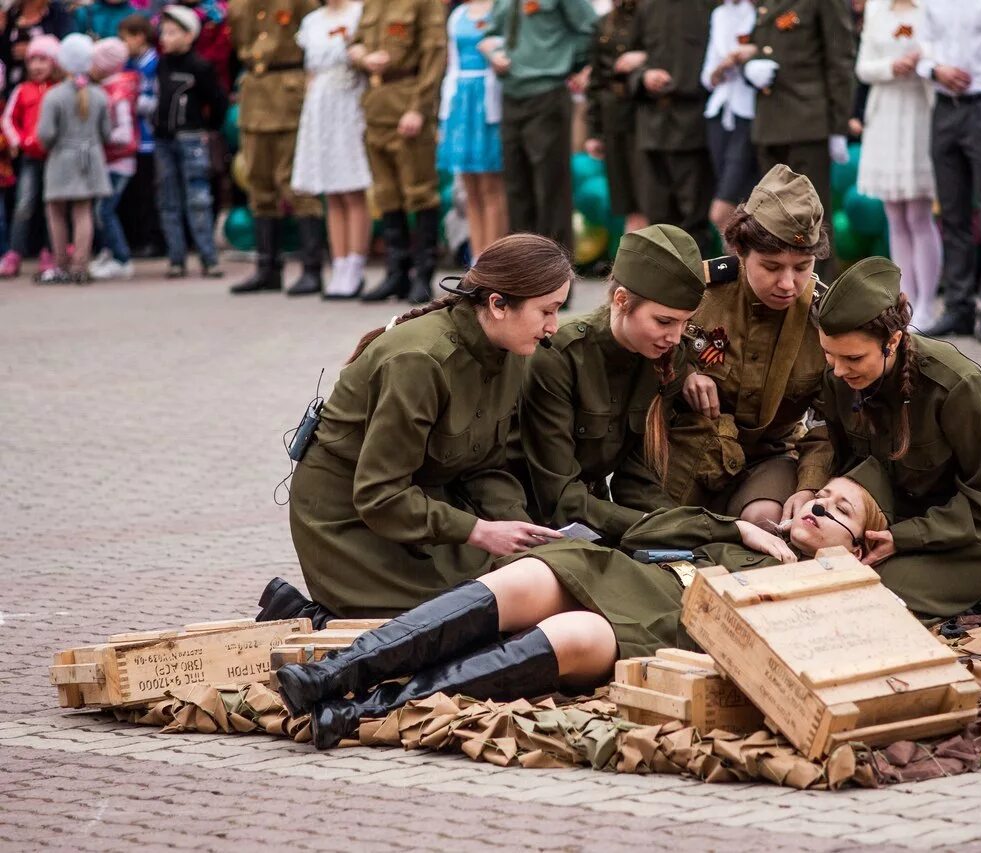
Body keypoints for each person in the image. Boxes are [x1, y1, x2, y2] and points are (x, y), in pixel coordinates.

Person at [273, 476, 886, 750]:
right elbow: (648, 534)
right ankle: (332, 675)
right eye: (819, 498)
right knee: (525, 578)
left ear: (858, 549)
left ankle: (360, 715)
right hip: (624, 574)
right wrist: (737, 529)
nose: (818, 509)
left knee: (569, 636)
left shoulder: (832, 592)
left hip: (659, 628)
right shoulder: (750, 538)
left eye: (839, 514)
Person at [266, 234, 573, 623]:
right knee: (468, 615)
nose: (553, 327)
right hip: (351, 524)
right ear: (497, 304)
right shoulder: (420, 362)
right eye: (547, 311)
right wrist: (479, 531)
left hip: (422, 504)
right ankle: (314, 616)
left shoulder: (508, 349)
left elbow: (484, 467)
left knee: (532, 581)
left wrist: (522, 533)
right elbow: (379, 495)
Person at [793, 255, 981, 617]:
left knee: (862, 599)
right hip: (880, 530)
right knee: (809, 583)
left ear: (892, 341)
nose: (838, 370)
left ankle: (976, 592)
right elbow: (844, 460)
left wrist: (903, 537)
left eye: (853, 358)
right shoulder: (839, 377)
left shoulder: (956, 386)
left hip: (961, 543)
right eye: (829, 355)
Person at [664, 165, 832, 529]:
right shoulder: (699, 293)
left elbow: (829, 424)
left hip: (770, 455)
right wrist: (684, 371)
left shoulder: (826, 319)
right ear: (740, 250)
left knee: (765, 521)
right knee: (666, 528)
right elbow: (640, 339)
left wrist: (809, 486)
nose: (788, 283)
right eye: (771, 267)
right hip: (692, 446)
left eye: (802, 267)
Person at [517, 224, 705, 544]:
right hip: (527, 515)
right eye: (664, 321)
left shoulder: (668, 359)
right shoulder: (560, 356)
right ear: (621, 300)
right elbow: (561, 498)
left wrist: (677, 528)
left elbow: (638, 478)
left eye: (685, 323)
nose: (675, 337)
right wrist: (670, 528)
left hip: (593, 515)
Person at [915, 0, 981, 343]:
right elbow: (924, 47)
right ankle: (958, 307)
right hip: (945, 107)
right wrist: (936, 70)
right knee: (952, 213)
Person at [742, 0, 855, 283]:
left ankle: (820, 295)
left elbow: (839, 59)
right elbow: (760, 46)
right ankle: (781, 293)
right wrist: (748, 67)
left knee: (813, 219)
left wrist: (838, 125)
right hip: (769, 122)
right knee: (770, 219)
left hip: (809, 122)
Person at [347, 0, 446, 304]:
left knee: (419, 191)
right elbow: (356, 43)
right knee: (387, 193)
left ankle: (424, 273)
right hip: (376, 107)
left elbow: (434, 56)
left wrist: (419, 108)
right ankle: (396, 273)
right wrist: (361, 55)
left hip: (407, 104)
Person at [226, 0, 326, 296]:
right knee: (258, 181)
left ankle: (312, 269)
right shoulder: (239, 4)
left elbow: (314, 36)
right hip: (254, 91)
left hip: (288, 90)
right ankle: (267, 267)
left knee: (295, 181)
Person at [480, 0, 596, 253]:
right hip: (510, 94)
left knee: (550, 188)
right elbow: (492, 33)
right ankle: (524, 270)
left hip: (547, 91)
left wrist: (568, 60)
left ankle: (556, 275)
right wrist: (492, 50)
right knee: (516, 187)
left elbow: (590, 29)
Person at [855, 0, 940, 331]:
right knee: (895, 214)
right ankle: (905, 299)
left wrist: (921, 61)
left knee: (920, 213)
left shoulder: (930, 9)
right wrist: (892, 65)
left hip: (920, 113)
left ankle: (928, 303)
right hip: (886, 114)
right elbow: (863, 67)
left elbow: (942, 53)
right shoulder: (877, 10)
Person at [289, 0, 371, 300]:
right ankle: (338, 264)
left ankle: (355, 265)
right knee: (331, 191)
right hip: (319, 104)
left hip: (348, 99)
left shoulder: (359, 12)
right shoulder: (312, 20)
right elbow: (310, 70)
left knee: (352, 186)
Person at [626, 0, 715, 251]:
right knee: (656, 217)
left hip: (693, 124)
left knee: (693, 220)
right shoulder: (647, 7)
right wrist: (643, 77)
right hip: (651, 126)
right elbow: (630, 60)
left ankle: (696, 287)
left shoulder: (710, 6)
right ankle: (661, 288)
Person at [153, 5, 227, 279]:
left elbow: (217, 100)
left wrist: (208, 128)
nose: (166, 37)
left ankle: (208, 258)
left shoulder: (200, 66)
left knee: (198, 199)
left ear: (189, 36)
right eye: (164, 32)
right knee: (168, 199)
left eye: (173, 32)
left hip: (191, 138)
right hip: (164, 140)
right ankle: (176, 258)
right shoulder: (162, 64)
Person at [36, 33, 111, 284]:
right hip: (90, 157)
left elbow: (45, 133)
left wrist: (52, 145)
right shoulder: (99, 95)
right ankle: (81, 265)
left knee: (56, 212)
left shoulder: (54, 96)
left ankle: (61, 264)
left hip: (61, 159)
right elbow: (106, 133)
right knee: (83, 212)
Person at [439, 0, 507, 258]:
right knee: (470, 188)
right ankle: (477, 259)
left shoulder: (500, 9)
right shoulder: (457, 15)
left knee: (491, 186)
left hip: (489, 100)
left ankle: (494, 258)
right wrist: (446, 114)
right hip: (461, 102)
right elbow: (453, 64)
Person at [584, 0, 645, 234]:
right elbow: (596, 82)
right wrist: (594, 131)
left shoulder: (647, 17)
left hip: (643, 114)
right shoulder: (602, 24)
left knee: (648, 194)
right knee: (625, 195)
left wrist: (643, 58)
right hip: (613, 116)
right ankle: (632, 250)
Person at [0, 33, 57, 279]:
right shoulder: (22, 90)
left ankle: (50, 252)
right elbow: (8, 120)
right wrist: (19, 141)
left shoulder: (59, 90)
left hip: (55, 157)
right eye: (32, 60)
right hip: (30, 158)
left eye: (43, 60)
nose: (37, 66)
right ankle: (14, 253)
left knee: (51, 207)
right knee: (24, 205)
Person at [700, 0, 758, 235]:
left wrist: (745, 57)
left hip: (750, 114)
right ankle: (743, 270)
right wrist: (719, 70)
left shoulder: (759, 10)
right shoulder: (719, 14)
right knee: (735, 214)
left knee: (723, 212)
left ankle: (746, 270)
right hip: (719, 113)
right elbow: (706, 76)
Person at [87, 37, 138, 281]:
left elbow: (125, 134)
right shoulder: (106, 88)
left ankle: (122, 258)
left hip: (119, 162)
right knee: (100, 211)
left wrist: (98, 136)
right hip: (108, 161)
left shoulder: (117, 92)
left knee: (105, 211)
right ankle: (108, 252)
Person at [118, 14, 162, 261]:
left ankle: (154, 240)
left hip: (149, 138)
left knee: (149, 192)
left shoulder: (154, 64)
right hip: (130, 139)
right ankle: (137, 239)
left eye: (125, 39)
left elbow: (156, 101)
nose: (123, 45)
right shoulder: (128, 64)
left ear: (140, 37)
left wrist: (133, 102)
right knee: (134, 193)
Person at [2, 0, 73, 91]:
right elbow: (4, 53)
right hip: (15, 84)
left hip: (50, 86)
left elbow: (67, 46)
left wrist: (31, 50)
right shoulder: (11, 14)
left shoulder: (55, 12)